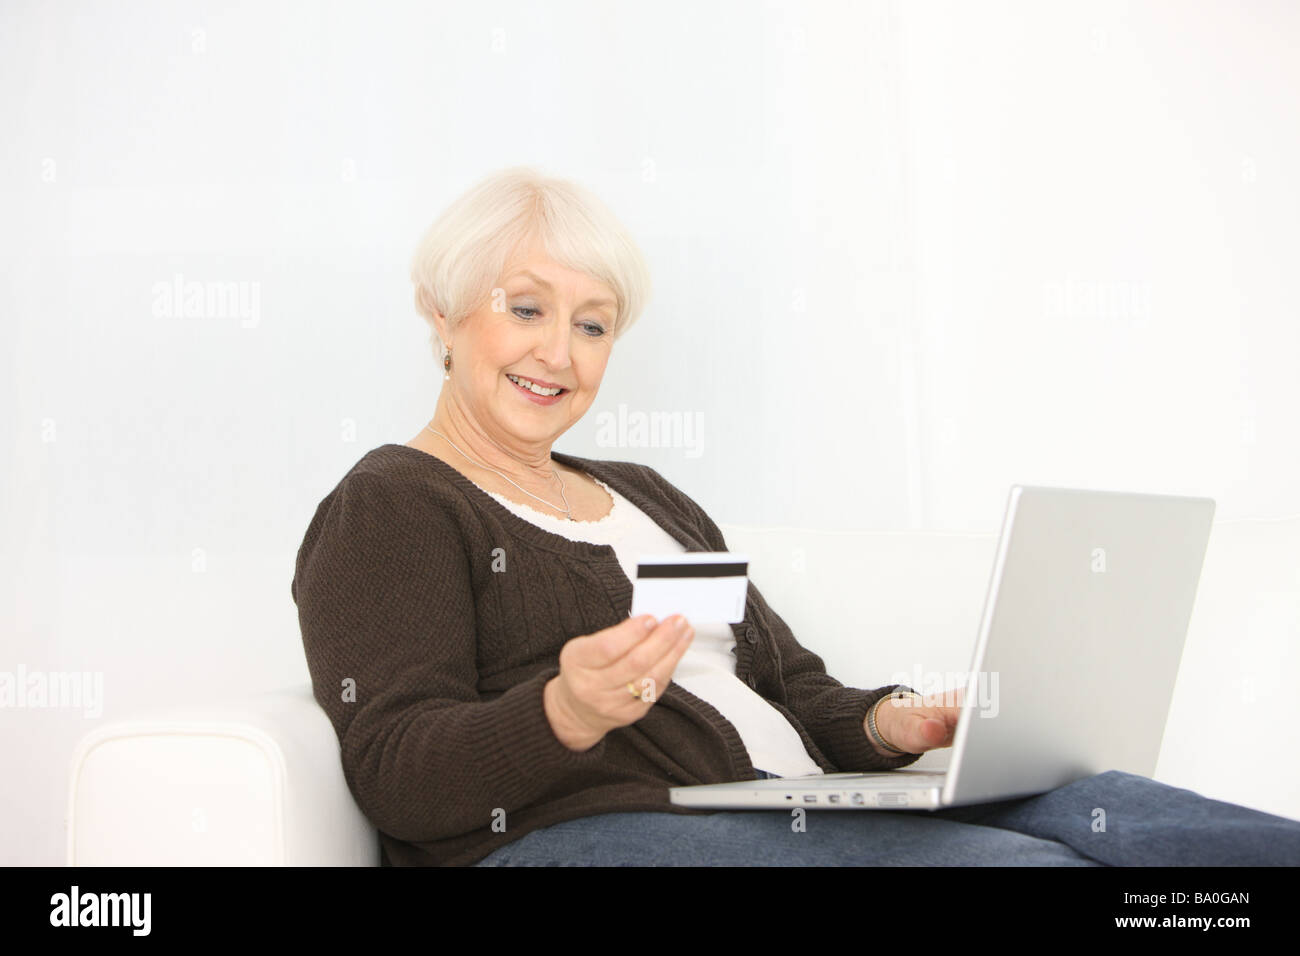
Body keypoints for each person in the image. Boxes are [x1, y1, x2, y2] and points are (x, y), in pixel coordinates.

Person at [292, 166, 1300, 866]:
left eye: (592, 324)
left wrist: (889, 722)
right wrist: (565, 710)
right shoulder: (395, 503)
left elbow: (791, 692)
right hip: (579, 835)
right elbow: (394, 774)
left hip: (782, 806)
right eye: (525, 307)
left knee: (1131, 813)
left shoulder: (647, 497)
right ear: (443, 310)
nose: (558, 351)